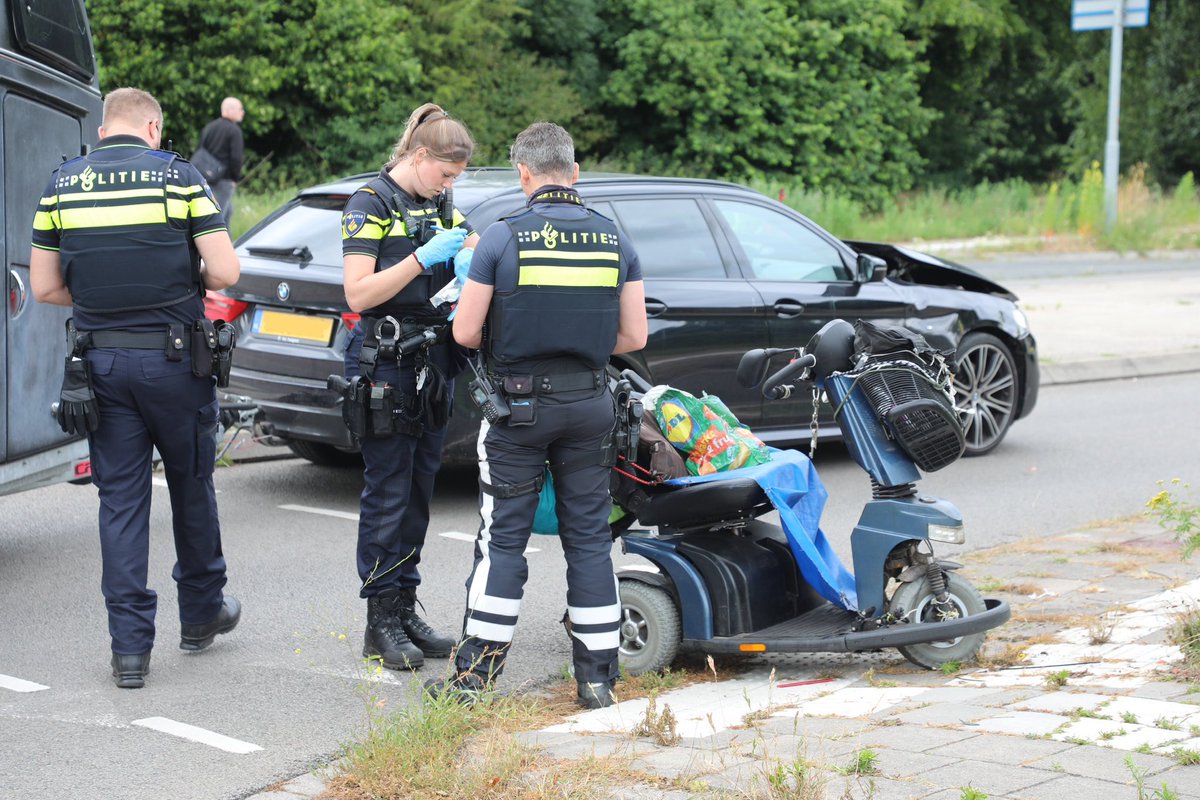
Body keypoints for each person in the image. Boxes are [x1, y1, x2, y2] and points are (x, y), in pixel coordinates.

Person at [429, 121, 648, 708]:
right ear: (574, 172)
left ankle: (475, 680)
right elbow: (634, 334)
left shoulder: (501, 239)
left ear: (523, 175)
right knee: (588, 540)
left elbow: (467, 332)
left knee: (504, 539)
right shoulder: (614, 239)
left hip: (518, 411)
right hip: (590, 407)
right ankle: (598, 679)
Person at [29, 87, 242, 689]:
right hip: (176, 365)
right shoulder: (177, 178)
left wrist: (104, 299)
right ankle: (201, 616)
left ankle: (129, 651)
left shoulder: (61, 185)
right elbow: (225, 272)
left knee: (120, 503)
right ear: (152, 126)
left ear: (103, 129)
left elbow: (45, 287)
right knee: (191, 485)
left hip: (98, 368)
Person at [340, 103, 478, 671]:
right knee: (388, 494)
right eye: (445, 174)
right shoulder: (369, 204)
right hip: (386, 361)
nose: (449, 186)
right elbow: (358, 294)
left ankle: (405, 605)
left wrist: (470, 257)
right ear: (419, 156)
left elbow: (471, 246)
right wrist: (421, 259)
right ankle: (380, 620)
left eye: (455, 180)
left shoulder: (440, 203)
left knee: (420, 492)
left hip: (432, 360)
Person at [196, 96, 244, 224]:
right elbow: (236, 158)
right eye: (240, 109)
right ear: (230, 110)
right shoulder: (234, 131)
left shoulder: (209, 127)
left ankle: (228, 244)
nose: (242, 112)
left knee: (227, 213)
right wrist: (235, 178)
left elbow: (200, 151)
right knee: (217, 219)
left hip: (205, 178)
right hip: (224, 180)